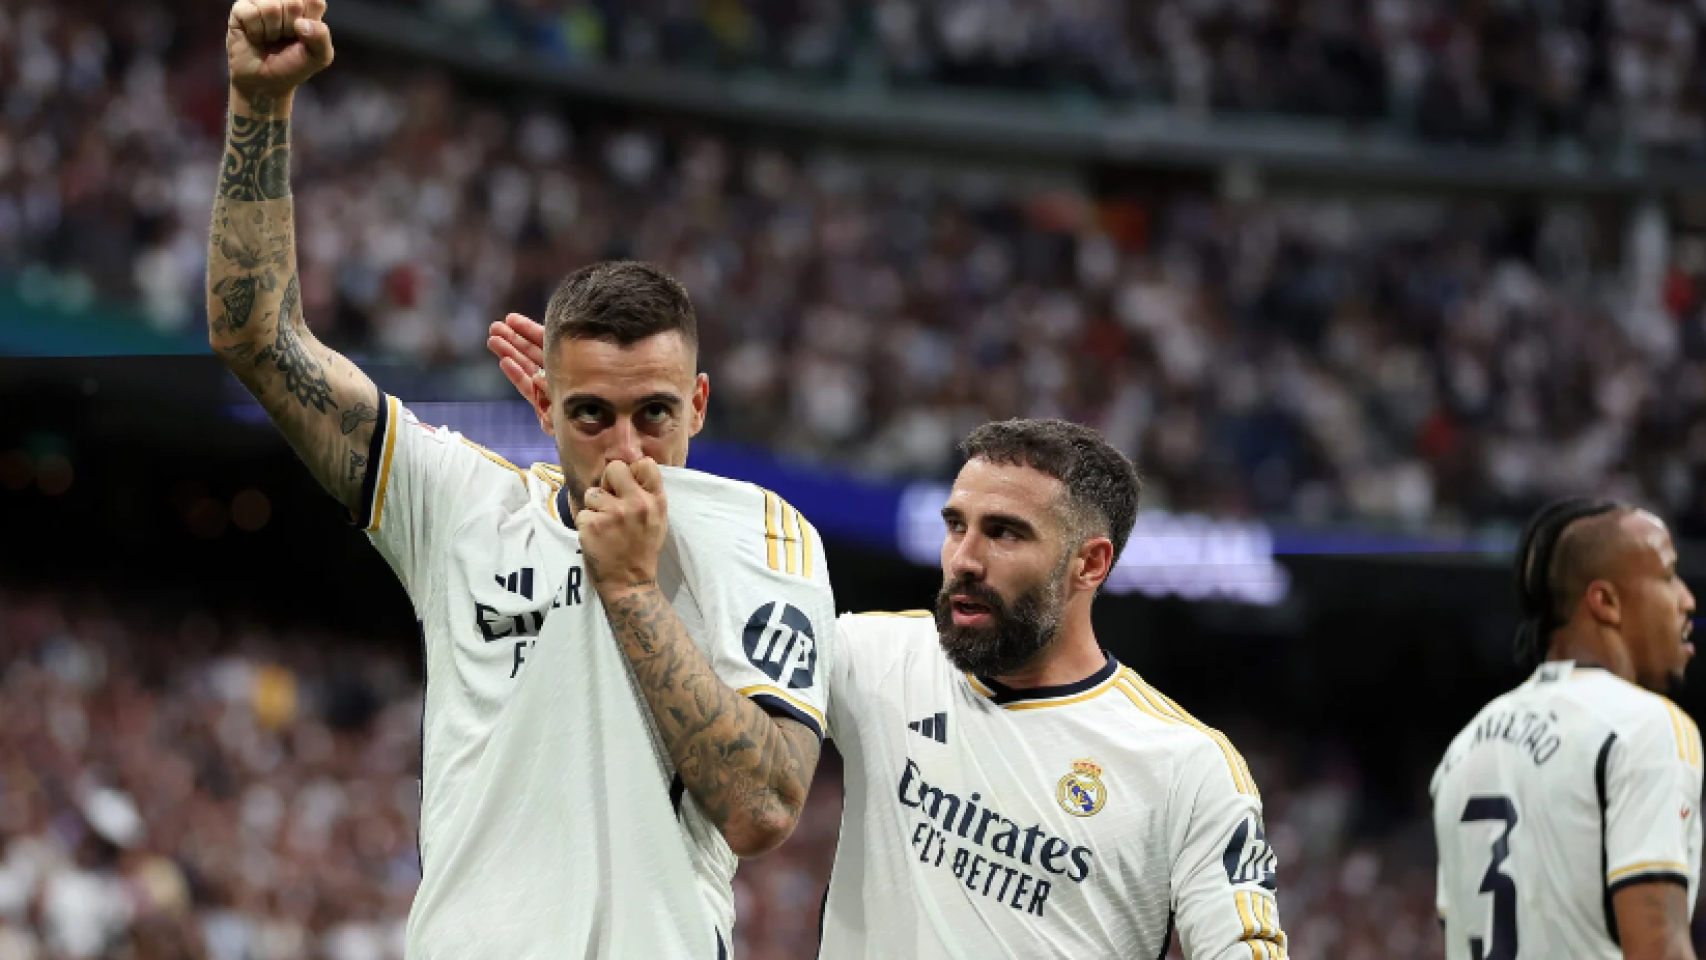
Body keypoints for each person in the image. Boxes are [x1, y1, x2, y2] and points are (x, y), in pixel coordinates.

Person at [209, 4, 834, 956]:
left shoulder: (763, 533)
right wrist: (259, 106)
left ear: (699, 404)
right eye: (591, 413)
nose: (627, 446)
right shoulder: (464, 505)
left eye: (654, 413)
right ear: (543, 409)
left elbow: (763, 807)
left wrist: (629, 586)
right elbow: (258, 339)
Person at [492, 320, 1289, 958]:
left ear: (1091, 563)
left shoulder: (1190, 771)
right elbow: (685, 638)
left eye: (1005, 534)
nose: (964, 560)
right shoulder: (872, 659)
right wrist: (593, 423)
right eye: (956, 526)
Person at [1431, 498, 1701, 960]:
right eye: (1668, 575)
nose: (1687, 599)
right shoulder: (1644, 725)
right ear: (1606, 602)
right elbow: (1658, 946)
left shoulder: (1463, 747)